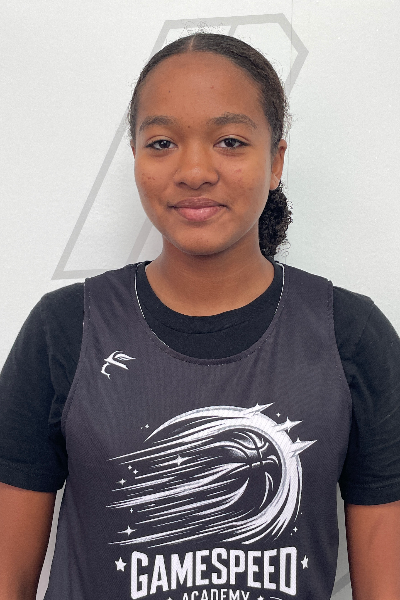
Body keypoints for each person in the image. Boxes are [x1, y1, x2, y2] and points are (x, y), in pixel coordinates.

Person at [0, 32, 399, 600]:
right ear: (135, 157)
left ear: (276, 160)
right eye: (162, 142)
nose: (194, 170)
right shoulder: (65, 329)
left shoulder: (351, 336)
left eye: (230, 141)